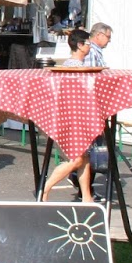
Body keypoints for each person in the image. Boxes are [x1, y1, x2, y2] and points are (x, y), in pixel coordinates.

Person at [40, 29, 95, 202]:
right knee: (77, 158)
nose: (90, 46)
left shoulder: (65, 66)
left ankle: (87, 196)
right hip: (70, 120)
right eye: (88, 43)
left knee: (83, 157)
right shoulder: (79, 69)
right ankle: (45, 188)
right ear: (80, 45)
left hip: (68, 119)